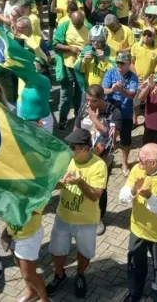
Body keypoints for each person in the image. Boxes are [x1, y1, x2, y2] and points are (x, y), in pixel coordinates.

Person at [48, 128, 108, 298]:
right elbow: (53, 185)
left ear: (85, 148)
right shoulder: (66, 159)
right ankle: (59, 276)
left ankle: (80, 275)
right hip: (63, 217)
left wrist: (80, 182)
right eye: (69, 145)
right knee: (57, 251)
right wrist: (60, 183)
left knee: (85, 252)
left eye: (73, 146)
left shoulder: (99, 165)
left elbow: (95, 196)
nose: (70, 149)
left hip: (87, 221)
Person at [119, 143, 157, 302]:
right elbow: (122, 198)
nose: (138, 160)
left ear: (154, 163)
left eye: (142, 159)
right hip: (137, 229)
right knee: (135, 265)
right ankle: (134, 293)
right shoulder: (137, 169)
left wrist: (150, 196)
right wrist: (132, 191)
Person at [74, 84, 121, 235]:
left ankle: (98, 217)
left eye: (93, 101)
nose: (89, 103)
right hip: (81, 155)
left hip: (102, 158)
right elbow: (76, 128)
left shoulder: (114, 112)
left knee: (99, 188)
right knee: (80, 183)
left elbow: (111, 136)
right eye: (87, 100)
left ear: (101, 99)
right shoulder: (83, 109)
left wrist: (94, 119)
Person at [1, 203, 50, 302]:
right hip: (13, 232)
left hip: (28, 236)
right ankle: (31, 292)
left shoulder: (34, 189)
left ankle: (45, 300)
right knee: (19, 264)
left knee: (29, 274)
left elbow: (35, 208)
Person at [102, 51, 139, 176]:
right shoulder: (110, 73)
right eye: (118, 62)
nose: (119, 65)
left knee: (126, 141)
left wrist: (121, 90)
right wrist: (112, 89)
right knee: (106, 138)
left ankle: (124, 163)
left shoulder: (133, 77)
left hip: (125, 112)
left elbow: (132, 94)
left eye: (122, 63)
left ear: (129, 64)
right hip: (110, 111)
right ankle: (104, 161)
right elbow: (103, 90)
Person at [53, 10, 90, 129]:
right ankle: (62, 119)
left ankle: (78, 118)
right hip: (68, 66)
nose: (78, 27)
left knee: (80, 93)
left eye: (80, 24)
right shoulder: (64, 26)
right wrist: (70, 48)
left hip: (83, 67)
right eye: (76, 25)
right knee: (65, 94)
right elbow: (55, 44)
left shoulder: (89, 27)